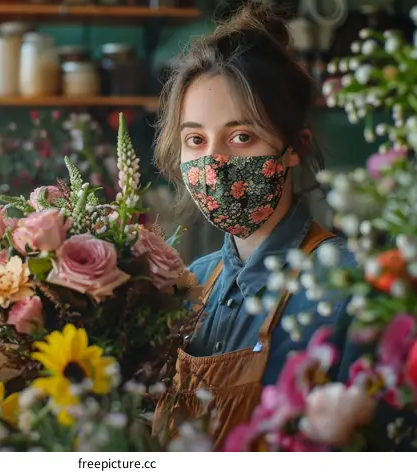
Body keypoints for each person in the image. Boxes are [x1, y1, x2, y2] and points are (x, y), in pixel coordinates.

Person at [149, 2, 373, 450]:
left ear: (294, 147)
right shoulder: (193, 283)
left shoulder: (350, 288)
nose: (214, 164)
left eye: (241, 137)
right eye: (196, 140)